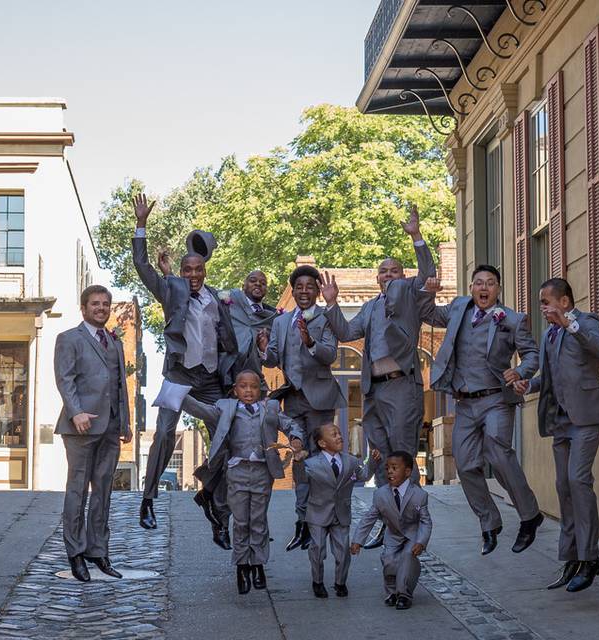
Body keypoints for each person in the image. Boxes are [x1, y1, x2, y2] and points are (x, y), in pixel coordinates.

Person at [319, 205, 436, 548]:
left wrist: (416, 236)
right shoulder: (370, 307)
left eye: (394, 270)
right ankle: (389, 520)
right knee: (384, 457)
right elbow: (344, 331)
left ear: (402, 276)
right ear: (377, 279)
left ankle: (410, 524)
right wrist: (331, 304)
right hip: (375, 392)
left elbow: (427, 271)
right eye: (383, 272)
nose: (387, 275)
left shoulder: (412, 297)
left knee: (402, 455)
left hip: (402, 387)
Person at [131, 194, 238, 548]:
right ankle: (148, 500)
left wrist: (235, 379)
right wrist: (141, 225)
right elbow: (143, 267)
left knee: (227, 440)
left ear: (205, 271)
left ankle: (214, 504)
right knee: (163, 434)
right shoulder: (172, 290)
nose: (193, 275)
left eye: (198, 270)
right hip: (180, 376)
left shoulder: (216, 300)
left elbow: (229, 342)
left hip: (209, 381)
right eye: (187, 270)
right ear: (180, 273)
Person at [420, 266, 542, 556]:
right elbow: (427, 314)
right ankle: (489, 523)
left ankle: (529, 516)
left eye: (490, 283)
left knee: (499, 454)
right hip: (464, 402)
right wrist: (429, 292)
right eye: (478, 283)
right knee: (464, 464)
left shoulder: (512, 319)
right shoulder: (458, 308)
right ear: (471, 287)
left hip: (497, 398)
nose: (483, 288)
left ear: (498, 289)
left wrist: (521, 370)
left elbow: (532, 355)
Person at [514, 278, 599, 592]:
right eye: (541, 302)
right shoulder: (548, 335)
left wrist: (571, 324)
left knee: (578, 480)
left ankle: (590, 558)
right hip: (561, 421)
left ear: (565, 302)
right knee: (563, 487)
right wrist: (527, 384)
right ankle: (572, 556)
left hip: (587, 415)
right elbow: (548, 376)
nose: (542, 308)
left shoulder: (586, 322)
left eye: (546, 302)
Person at [180, 370, 304, 594]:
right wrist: (178, 393)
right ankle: (241, 566)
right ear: (235, 390)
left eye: (254, 386)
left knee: (258, 519)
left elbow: (290, 425)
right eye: (243, 386)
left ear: (261, 389)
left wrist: (296, 439)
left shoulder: (270, 409)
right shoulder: (225, 408)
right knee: (241, 521)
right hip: (237, 471)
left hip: (262, 472)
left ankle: (257, 565)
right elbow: (201, 410)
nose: (249, 391)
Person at [259, 264, 345, 551]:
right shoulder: (281, 322)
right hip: (293, 400)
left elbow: (330, 354)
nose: (304, 291)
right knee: (300, 461)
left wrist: (309, 342)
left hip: (320, 400)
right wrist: (263, 349)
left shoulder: (325, 318)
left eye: (310, 286)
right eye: (299, 287)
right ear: (293, 291)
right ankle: (302, 524)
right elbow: (272, 359)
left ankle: (323, 518)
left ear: (318, 291)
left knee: (320, 462)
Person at [53, 285, 133, 582]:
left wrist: (124, 422)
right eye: (95, 304)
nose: (101, 308)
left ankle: (98, 551)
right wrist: (76, 412)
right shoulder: (69, 339)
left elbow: (120, 387)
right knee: (77, 491)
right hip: (81, 428)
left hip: (111, 428)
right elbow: (65, 378)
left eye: (105, 304)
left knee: (103, 492)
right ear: (83, 308)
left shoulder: (114, 342)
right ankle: (75, 553)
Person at [302, 423, 379, 598]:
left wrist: (373, 461)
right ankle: (318, 582)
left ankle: (340, 583)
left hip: (341, 513)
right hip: (318, 514)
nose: (339, 436)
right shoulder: (311, 463)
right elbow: (300, 479)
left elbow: (364, 475)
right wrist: (298, 461)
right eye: (333, 434)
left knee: (343, 551)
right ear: (322, 443)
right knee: (317, 549)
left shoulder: (350, 461)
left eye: (339, 433)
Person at [351, 451, 432, 610]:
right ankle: (392, 593)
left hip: (412, 535)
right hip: (393, 535)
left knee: (407, 560)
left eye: (395, 468)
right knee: (389, 562)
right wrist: (357, 540)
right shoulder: (380, 494)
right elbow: (369, 518)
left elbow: (425, 521)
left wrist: (421, 541)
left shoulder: (419, 495)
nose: (389, 471)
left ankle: (404, 595)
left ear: (407, 472)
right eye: (387, 468)